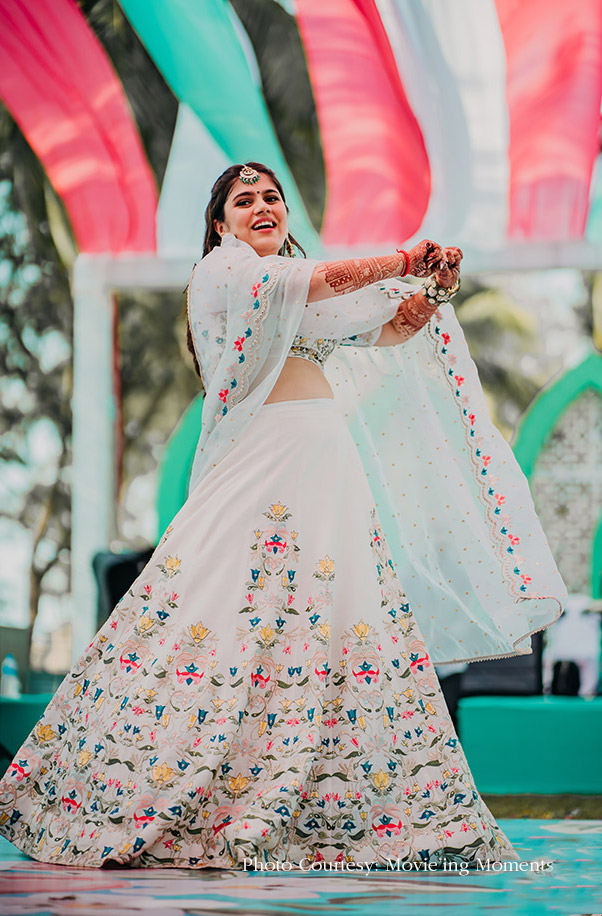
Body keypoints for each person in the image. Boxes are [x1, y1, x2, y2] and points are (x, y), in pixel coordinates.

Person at [0, 162, 566, 870]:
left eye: (272, 197)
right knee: (216, 615)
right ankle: (149, 792)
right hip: (259, 469)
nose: (262, 206)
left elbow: (383, 327)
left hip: (324, 474)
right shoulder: (227, 276)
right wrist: (401, 258)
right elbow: (318, 283)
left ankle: (349, 810)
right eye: (244, 200)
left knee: (336, 621)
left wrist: (431, 288)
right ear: (220, 224)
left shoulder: (295, 291)